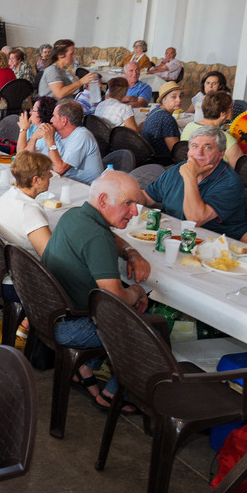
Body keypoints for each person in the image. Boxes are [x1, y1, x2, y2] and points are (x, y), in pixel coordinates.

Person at [42, 170, 151, 412]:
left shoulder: (74, 216)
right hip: (69, 327)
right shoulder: (96, 237)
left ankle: (84, 369)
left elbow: (109, 237)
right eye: (128, 203)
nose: (135, 212)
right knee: (150, 329)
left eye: (137, 204)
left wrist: (132, 253)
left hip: (45, 314)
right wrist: (135, 291)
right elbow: (116, 301)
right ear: (103, 201)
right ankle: (113, 394)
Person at [143, 126, 247, 239]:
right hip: (175, 235)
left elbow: (195, 219)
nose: (199, 152)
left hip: (217, 245)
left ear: (221, 154)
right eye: (194, 146)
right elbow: (147, 196)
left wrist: (190, 177)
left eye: (208, 148)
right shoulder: (178, 169)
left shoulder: (230, 182)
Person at [0, 150, 54, 255]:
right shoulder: (29, 210)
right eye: (48, 173)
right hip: (25, 267)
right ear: (36, 180)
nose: (51, 176)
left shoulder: (9, 195)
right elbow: (50, 256)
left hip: (4, 259)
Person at [30, 100, 103, 184]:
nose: (51, 120)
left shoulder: (82, 136)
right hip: (65, 183)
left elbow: (59, 170)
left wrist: (51, 142)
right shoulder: (56, 133)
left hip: (85, 189)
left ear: (64, 120)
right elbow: (31, 158)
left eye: (54, 116)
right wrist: (33, 138)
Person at [181, 90, 243, 167]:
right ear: (222, 114)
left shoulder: (189, 126)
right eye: (230, 108)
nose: (231, 110)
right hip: (214, 177)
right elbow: (241, 169)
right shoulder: (225, 139)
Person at [141, 81, 183, 161]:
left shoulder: (155, 110)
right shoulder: (167, 119)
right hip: (161, 161)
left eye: (180, 96)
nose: (179, 100)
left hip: (149, 158)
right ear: (164, 100)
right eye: (174, 97)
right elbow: (176, 152)